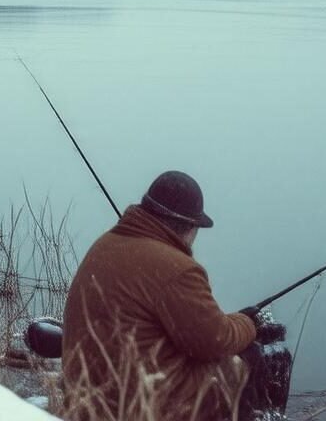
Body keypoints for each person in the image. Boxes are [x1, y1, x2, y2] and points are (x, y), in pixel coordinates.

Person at [62, 171, 258, 421]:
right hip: (138, 407)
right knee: (244, 360)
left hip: (88, 400)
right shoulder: (178, 269)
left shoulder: (105, 243)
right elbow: (216, 341)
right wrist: (249, 324)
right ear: (189, 227)